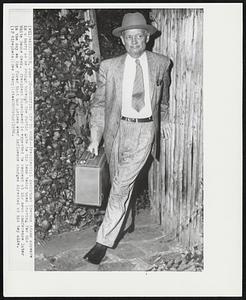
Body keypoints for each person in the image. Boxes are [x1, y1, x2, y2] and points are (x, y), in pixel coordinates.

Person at [84, 12, 171, 265]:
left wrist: (161, 124)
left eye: (139, 37)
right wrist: (94, 137)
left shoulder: (162, 63)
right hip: (117, 131)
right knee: (119, 182)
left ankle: (103, 240)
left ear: (147, 38)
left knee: (121, 184)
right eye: (129, 37)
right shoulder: (108, 67)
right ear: (123, 40)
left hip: (144, 131)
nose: (134, 42)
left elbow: (163, 100)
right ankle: (127, 223)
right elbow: (99, 105)